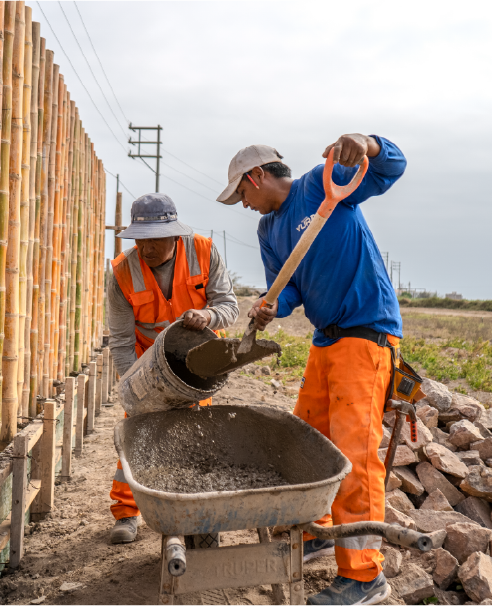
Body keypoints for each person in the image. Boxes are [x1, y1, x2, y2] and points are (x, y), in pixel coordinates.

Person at [216, 134, 407, 606]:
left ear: (256, 177)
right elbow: (289, 290)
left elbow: (392, 168)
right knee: (306, 439)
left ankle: (365, 577)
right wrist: (270, 305)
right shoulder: (268, 232)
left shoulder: (323, 184)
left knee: (353, 453)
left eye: (242, 194)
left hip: (366, 334)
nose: (243, 205)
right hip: (327, 340)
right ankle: (319, 530)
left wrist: (368, 144)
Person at [107, 192, 239, 544]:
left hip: (196, 361)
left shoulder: (203, 251)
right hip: (147, 362)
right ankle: (125, 513)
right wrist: (135, 385)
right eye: (140, 240)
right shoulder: (121, 272)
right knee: (138, 433)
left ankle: (196, 510)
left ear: (175, 235)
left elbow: (228, 304)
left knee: (198, 434)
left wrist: (208, 315)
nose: (145, 248)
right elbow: (120, 339)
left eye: (154, 240)